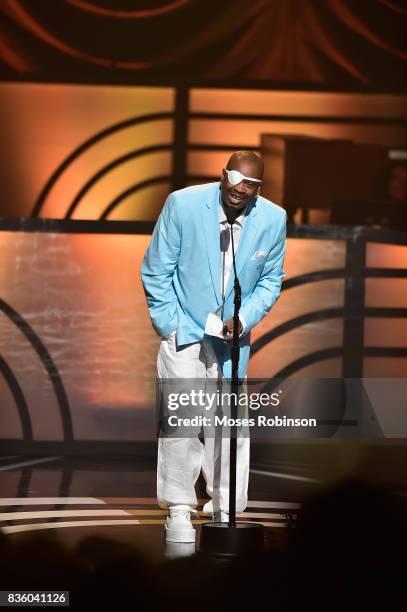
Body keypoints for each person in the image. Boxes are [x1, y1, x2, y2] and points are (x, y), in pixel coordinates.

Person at [141, 151, 287, 543]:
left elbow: (271, 279)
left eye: (251, 185)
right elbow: (157, 269)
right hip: (185, 331)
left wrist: (244, 320)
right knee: (182, 422)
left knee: (230, 425)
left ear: (259, 188)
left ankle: (225, 506)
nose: (241, 189)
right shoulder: (183, 204)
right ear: (223, 175)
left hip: (232, 338)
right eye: (236, 179)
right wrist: (170, 325)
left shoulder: (273, 218)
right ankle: (179, 508)